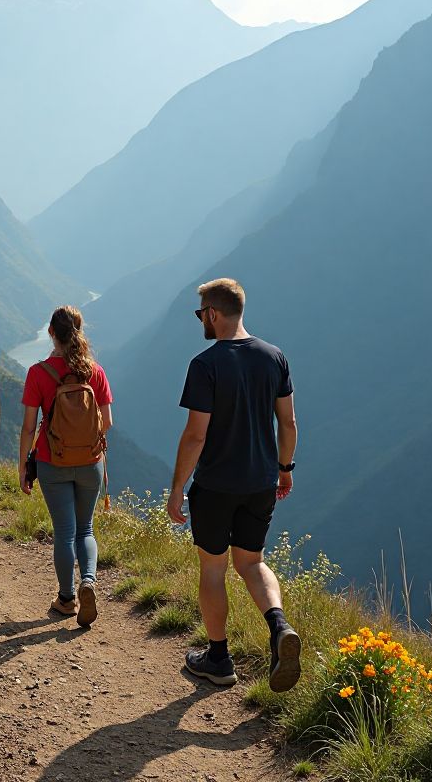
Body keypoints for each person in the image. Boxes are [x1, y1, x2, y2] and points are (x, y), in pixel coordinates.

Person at [167, 278, 300, 692]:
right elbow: (288, 422)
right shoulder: (274, 357)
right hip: (260, 482)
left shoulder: (205, 364)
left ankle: (219, 658)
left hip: (216, 485)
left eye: (200, 313)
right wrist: (284, 468)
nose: (200, 321)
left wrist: (176, 489)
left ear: (213, 314)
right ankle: (279, 628)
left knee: (213, 567)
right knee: (252, 563)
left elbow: (195, 436)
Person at [18, 306, 112, 627]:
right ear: (79, 331)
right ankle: (89, 581)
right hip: (90, 463)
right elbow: (107, 422)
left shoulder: (38, 372)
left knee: (65, 531)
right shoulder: (94, 372)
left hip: (52, 462)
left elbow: (29, 427)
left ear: (51, 333)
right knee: (86, 529)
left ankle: (67, 598)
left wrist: (23, 467)